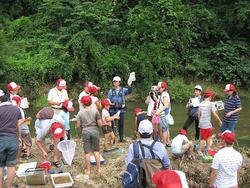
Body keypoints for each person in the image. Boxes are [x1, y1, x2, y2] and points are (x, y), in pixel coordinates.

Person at [125, 119, 170, 187]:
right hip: (158, 183)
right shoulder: (160, 146)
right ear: (152, 132)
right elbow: (166, 165)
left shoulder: (133, 147)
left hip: (141, 183)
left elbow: (129, 166)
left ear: (139, 133)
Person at [0, 90, 22, 188]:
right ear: (9, 100)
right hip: (13, 139)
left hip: (1, 139)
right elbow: (19, 124)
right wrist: (19, 137)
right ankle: (9, 187)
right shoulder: (16, 109)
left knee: (0, 166)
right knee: (11, 166)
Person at [76, 96, 102, 175]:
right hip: (94, 130)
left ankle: (88, 170)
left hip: (85, 131)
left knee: (87, 152)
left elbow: (78, 126)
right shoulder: (96, 111)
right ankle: (99, 169)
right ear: (91, 102)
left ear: (83, 104)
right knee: (96, 151)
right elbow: (100, 124)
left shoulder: (80, 112)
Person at [108, 76, 133, 142]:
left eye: (116, 81)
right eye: (114, 81)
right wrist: (110, 105)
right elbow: (108, 100)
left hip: (121, 110)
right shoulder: (110, 91)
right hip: (112, 110)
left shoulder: (123, 90)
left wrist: (129, 85)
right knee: (113, 125)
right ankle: (113, 139)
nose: (115, 83)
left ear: (119, 82)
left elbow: (130, 91)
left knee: (121, 124)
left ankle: (121, 138)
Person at [198, 90, 222, 156]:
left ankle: (208, 147)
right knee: (203, 139)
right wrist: (219, 121)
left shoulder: (201, 103)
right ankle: (199, 151)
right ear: (210, 97)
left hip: (203, 123)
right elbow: (214, 113)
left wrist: (200, 121)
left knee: (209, 136)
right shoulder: (211, 104)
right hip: (205, 124)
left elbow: (199, 114)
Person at [12, 96, 32, 160]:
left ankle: (18, 157)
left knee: (19, 142)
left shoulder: (10, 109)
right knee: (28, 142)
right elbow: (23, 120)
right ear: (19, 102)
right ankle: (28, 154)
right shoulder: (21, 109)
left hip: (14, 129)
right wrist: (28, 119)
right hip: (23, 128)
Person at [156, 81, 171, 146]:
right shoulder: (164, 94)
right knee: (164, 129)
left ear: (163, 88)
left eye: (159, 88)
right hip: (163, 114)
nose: (158, 89)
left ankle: (164, 143)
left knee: (164, 129)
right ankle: (166, 142)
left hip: (163, 114)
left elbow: (165, 105)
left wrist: (159, 111)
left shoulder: (164, 94)